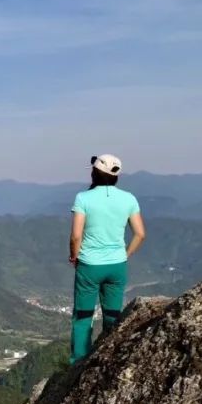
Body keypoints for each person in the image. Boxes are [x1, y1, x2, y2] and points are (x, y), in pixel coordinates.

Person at [69, 154, 146, 363]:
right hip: (117, 264)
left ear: (94, 173)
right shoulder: (129, 198)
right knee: (113, 315)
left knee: (83, 316)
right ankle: (110, 358)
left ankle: (79, 361)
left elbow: (76, 235)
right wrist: (126, 254)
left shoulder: (83, 198)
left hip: (89, 264)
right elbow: (140, 234)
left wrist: (74, 256)